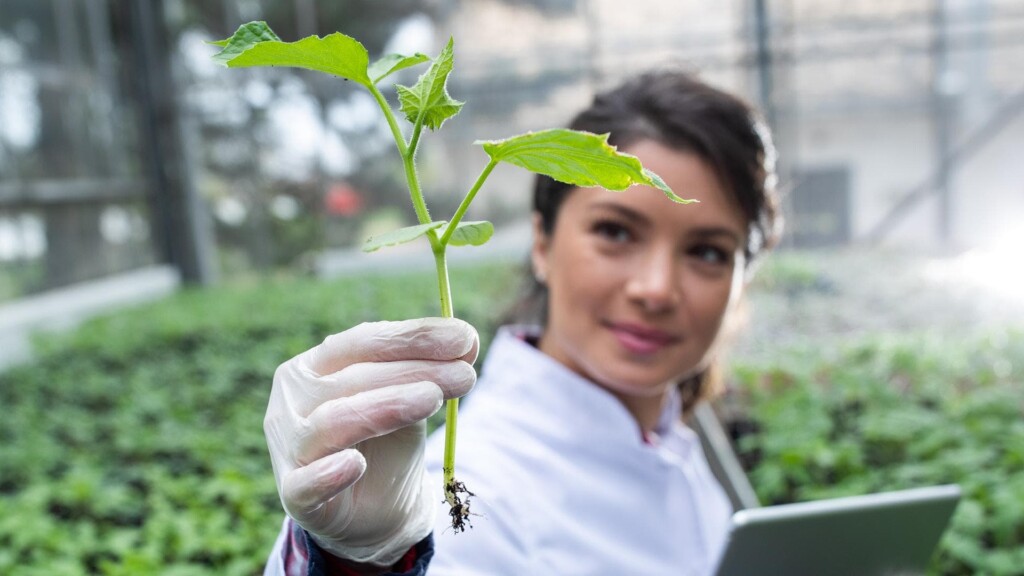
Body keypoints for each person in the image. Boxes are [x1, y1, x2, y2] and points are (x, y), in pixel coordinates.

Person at [262, 69, 781, 576]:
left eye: (708, 252)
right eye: (616, 232)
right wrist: (359, 562)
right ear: (542, 242)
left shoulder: (679, 439)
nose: (656, 288)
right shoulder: (472, 485)